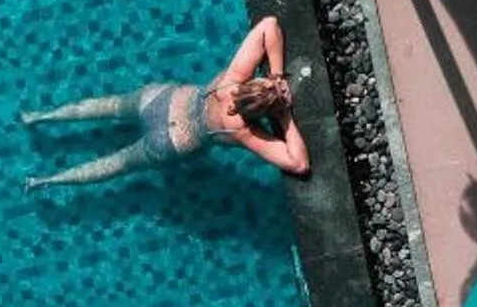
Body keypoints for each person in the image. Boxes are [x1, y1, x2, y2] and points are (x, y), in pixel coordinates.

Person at [22, 15, 311, 188]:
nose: (280, 84)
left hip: (163, 100)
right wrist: (284, 117)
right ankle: (45, 181)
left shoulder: (234, 79)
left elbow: (268, 26)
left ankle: (38, 117)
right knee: (117, 163)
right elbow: (297, 163)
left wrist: (273, 75)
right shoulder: (243, 131)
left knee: (108, 106)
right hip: (174, 140)